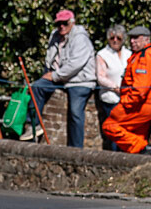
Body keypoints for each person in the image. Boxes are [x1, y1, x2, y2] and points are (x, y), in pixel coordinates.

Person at [22, 10, 96, 147]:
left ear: (72, 23)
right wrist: (49, 74)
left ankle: (76, 148)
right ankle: (33, 125)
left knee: (75, 112)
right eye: (58, 24)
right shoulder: (55, 36)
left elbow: (75, 64)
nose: (61, 26)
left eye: (65, 23)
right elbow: (50, 59)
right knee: (37, 87)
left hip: (79, 80)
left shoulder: (80, 38)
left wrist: (54, 75)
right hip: (60, 78)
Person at [101, 26, 151, 155]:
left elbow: (140, 90)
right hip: (146, 104)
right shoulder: (143, 54)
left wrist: (125, 103)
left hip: (141, 105)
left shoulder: (144, 57)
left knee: (109, 126)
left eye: (136, 38)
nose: (132, 41)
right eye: (131, 38)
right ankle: (139, 157)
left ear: (146, 39)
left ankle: (142, 148)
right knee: (136, 133)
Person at [95, 25, 131, 150]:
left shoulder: (129, 54)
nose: (115, 40)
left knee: (126, 129)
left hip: (127, 98)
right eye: (112, 38)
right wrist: (115, 87)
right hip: (111, 98)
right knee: (115, 129)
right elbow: (100, 77)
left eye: (118, 38)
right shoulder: (102, 55)